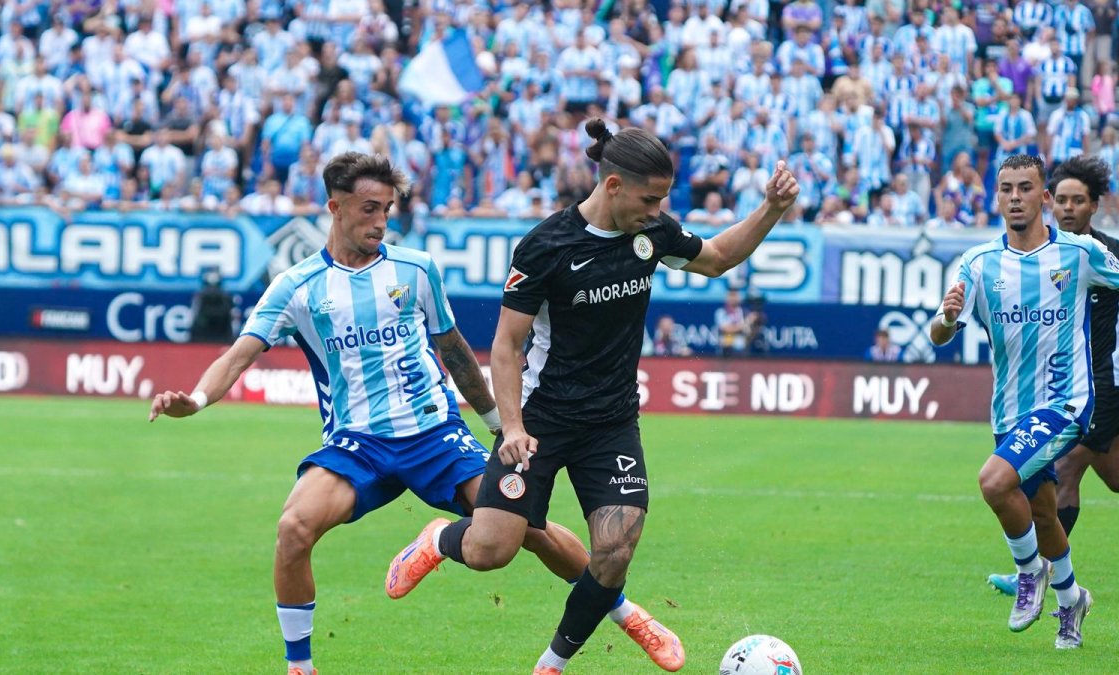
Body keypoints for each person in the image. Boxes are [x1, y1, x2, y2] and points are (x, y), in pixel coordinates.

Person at [147, 152, 669, 675]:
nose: (381, 221)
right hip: (357, 445)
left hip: (435, 435)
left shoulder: (415, 268)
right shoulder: (297, 286)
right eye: (369, 209)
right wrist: (196, 399)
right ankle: (299, 666)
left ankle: (623, 611)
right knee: (293, 529)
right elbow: (238, 356)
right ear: (334, 208)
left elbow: (456, 352)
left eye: (387, 209)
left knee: (521, 530)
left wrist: (497, 425)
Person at [385, 120, 798, 674]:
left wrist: (772, 208)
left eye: (662, 200)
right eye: (649, 199)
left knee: (615, 551)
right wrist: (512, 427)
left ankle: (551, 665)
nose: (657, 211)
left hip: (611, 423)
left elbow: (718, 256)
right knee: (490, 551)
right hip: (541, 419)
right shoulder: (546, 246)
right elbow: (505, 346)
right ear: (613, 186)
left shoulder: (652, 234)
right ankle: (440, 540)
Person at [930, 154, 1118, 650]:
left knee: (994, 482)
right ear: (997, 197)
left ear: (1044, 198)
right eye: (1006, 189)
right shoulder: (978, 263)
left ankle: (1030, 571)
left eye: (1026, 188)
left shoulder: (1080, 253)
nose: (1015, 197)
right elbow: (939, 334)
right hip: (1009, 411)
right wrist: (946, 319)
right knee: (1042, 514)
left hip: (1065, 403)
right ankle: (1072, 599)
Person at [986, 157, 1119, 596]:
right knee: (1111, 476)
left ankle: (1040, 570)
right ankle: (1051, 576)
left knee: (1065, 466)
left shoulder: (1098, 254)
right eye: (1061, 200)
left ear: (1093, 206)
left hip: (1099, 385)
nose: (1067, 208)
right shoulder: (1040, 257)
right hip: (1051, 392)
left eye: (1077, 201)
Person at [188, 268, 235, 343]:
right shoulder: (201, 296)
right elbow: (195, 314)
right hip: (202, 334)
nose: (212, 290)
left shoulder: (225, 296)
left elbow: (230, 314)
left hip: (222, 333)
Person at [715, 288, 752, 356]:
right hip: (726, 337)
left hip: (739, 338)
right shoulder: (721, 312)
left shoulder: (743, 311)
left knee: (740, 344)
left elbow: (747, 328)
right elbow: (724, 328)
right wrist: (740, 326)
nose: (733, 299)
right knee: (725, 342)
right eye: (731, 296)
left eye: (735, 296)